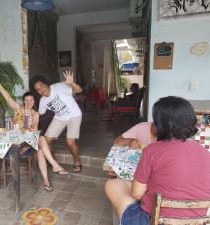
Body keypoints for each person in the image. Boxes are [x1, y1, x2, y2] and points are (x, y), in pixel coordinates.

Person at [105, 96, 210, 225]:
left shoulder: (151, 150)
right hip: (196, 221)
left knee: (112, 184)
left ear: (161, 125)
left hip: (154, 219)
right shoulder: (205, 153)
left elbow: (137, 194)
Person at [0, 72, 69, 191]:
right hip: (16, 143)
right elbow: (7, 97)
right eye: (27, 101)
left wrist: (30, 127)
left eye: (31, 101)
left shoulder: (35, 114)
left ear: (34, 102)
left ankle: (47, 180)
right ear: (23, 102)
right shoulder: (18, 109)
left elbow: (34, 131)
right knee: (42, 143)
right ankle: (52, 170)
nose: (29, 103)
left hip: (28, 143)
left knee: (41, 145)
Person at [32, 70, 83, 173]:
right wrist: (27, 111)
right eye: (38, 90)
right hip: (60, 117)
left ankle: (77, 161)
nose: (41, 90)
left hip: (74, 114)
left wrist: (72, 83)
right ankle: (53, 162)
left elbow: (79, 90)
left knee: (70, 142)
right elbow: (39, 113)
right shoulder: (43, 101)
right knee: (46, 140)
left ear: (46, 83)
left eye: (41, 86)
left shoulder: (59, 87)